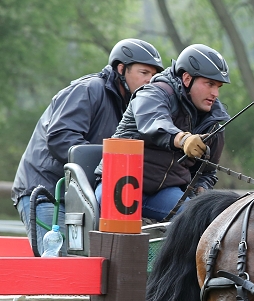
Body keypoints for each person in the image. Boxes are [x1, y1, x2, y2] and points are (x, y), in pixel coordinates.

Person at [12, 39, 164, 253]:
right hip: (47, 191)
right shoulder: (88, 90)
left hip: (84, 198)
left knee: (95, 267)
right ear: (121, 69)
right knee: (62, 269)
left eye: (154, 76)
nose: (150, 81)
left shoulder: (133, 107)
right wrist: (108, 164)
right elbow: (60, 138)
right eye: (144, 73)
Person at [95, 44, 230, 221]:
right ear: (187, 78)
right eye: (209, 84)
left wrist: (201, 190)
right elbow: (154, 121)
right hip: (120, 181)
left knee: (199, 219)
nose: (215, 93)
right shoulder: (153, 92)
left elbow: (207, 172)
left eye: (218, 86)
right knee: (120, 232)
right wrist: (183, 139)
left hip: (165, 192)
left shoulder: (213, 121)